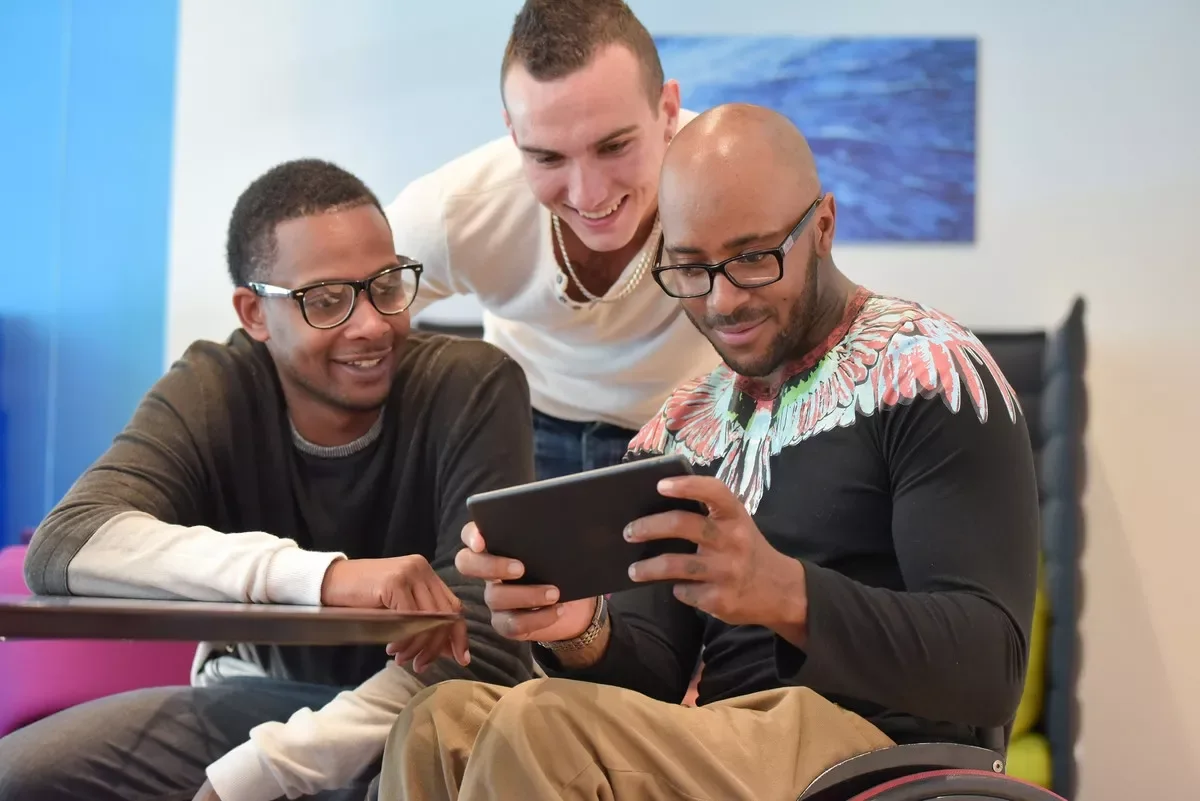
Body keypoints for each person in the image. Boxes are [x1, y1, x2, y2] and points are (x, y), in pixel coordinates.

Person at [377, 103, 1042, 801]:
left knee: (536, 724)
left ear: (822, 226)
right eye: (691, 269)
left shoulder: (929, 371)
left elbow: (992, 666)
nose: (723, 300)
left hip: (873, 753)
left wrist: (786, 593)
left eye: (753, 258)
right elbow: (655, 676)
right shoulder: (682, 426)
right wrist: (581, 629)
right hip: (721, 740)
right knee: (437, 723)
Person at [0, 159, 536, 801]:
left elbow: (484, 649)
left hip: (422, 719)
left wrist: (265, 772)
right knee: (22, 775)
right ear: (255, 313)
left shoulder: (472, 387)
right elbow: (65, 546)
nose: (370, 324)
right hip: (251, 701)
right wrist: (325, 578)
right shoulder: (214, 387)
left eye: (387, 286)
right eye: (328, 300)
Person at [386, 0, 720, 481]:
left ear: (667, 111)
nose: (589, 193)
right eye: (547, 158)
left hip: (696, 426)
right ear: (513, 133)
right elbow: (342, 317)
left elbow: (812, 326)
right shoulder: (454, 208)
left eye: (614, 146)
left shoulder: (726, 181)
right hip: (520, 424)